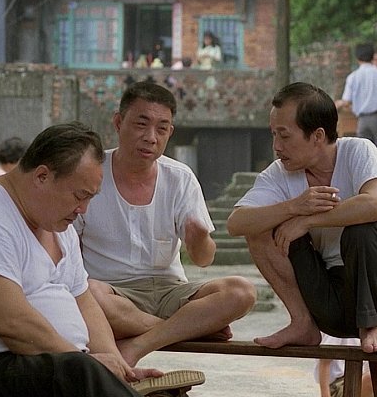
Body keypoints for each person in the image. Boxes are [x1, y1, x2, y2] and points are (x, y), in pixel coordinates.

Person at [0, 123, 253, 397]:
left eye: (89, 198)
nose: (82, 209)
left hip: (59, 365)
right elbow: (12, 323)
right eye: (79, 195)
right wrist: (94, 366)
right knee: (81, 370)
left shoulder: (57, 222)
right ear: (42, 176)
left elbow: (83, 300)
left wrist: (118, 368)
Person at [75, 82, 256, 367]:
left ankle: (138, 345)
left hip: (170, 290)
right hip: (112, 293)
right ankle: (184, 328)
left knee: (241, 291)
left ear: (170, 132)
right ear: (118, 122)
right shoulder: (92, 173)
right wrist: (199, 322)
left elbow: (204, 259)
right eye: (141, 124)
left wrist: (198, 239)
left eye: (161, 129)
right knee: (87, 293)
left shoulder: (180, 177)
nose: (151, 137)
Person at [226, 82, 377, 353]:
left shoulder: (359, 150)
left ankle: (371, 325)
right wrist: (294, 207)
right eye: (273, 135)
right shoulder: (279, 173)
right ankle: (302, 323)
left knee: (363, 227)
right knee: (260, 229)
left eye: (284, 136)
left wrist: (306, 220)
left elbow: (376, 205)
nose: (276, 146)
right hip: (332, 302)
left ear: (317, 135)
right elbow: (236, 223)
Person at [335, 44, 377, 164]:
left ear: (357, 58)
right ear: (372, 56)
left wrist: (338, 104)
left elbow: (347, 101)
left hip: (362, 120)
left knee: (364, 154)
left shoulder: (352, 77)